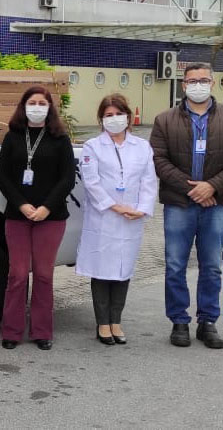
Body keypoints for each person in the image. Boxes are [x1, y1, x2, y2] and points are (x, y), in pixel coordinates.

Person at [0, 86, 75, 351]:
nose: (37, 107)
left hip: (51, 217)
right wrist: (22, 205)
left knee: (43, 274)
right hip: (17, 216)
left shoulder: (60, 139)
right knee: (17, 274)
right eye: (33, 102)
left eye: (43, 103)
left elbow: (67, 178)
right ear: (24, 106)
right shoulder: (13, 136)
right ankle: (11, 330)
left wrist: (46, 208)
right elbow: (2, 177)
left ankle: (41, 331)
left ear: (50, 107)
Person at [150, 62, 223, 349]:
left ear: (213, 83)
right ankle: (179, 320)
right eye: (192, 81)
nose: (198, 85)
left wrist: (212, 186)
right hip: (179, 203)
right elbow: (158, 160)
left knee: (213, 266)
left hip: (216, 203)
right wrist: (192, 189)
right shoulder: (164, 119)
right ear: (183, 85)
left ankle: (208, 321)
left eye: (203, 80)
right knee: (175, 264)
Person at [76, 94, 157, 345]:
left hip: (131, 218)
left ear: (128, 116)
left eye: (118, 114)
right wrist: (114, 206)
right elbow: (91, 182)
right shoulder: (92, 147)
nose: (114, 119)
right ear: (101, 119)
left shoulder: (142, 147)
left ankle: (116, 321)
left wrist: (142, 208)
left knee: (123, 270)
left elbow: (149, 180)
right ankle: (102, 323)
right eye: (108, 115)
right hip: (104, 218)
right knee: (101, 270)